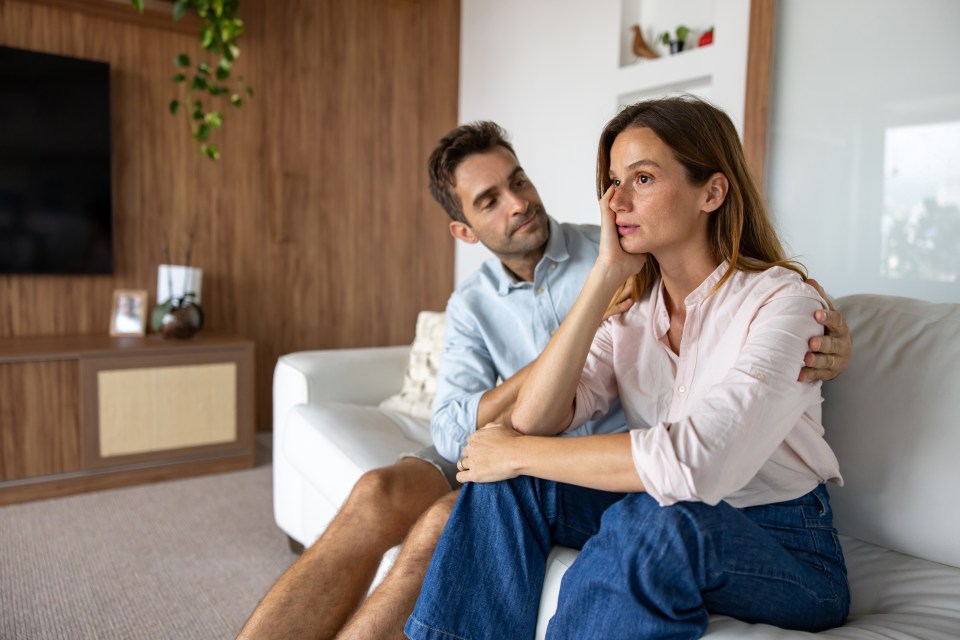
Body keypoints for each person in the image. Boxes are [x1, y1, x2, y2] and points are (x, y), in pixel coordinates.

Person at [239, 119, 851, 640]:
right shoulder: (624, 296)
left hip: (776, 534)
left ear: (712, 191)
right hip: (634, 482)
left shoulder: (780, 300)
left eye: (641, 179)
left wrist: (516, 451)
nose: (615, 202)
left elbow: (690, 463)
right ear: (465, 230)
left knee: (642, 517)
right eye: (613, 183)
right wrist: (607, 278)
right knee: (475, 488)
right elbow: (516, 424)